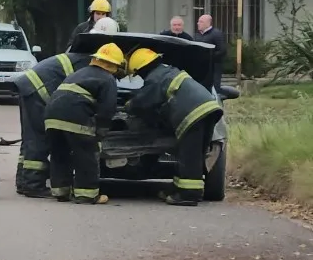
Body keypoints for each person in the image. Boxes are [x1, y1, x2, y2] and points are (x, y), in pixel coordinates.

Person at [124, 48, 223, 206]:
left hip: (192, 113)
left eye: (137, 74)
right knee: (196, 155)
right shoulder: (168, 71)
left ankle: (188, 195)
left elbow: (143, 102)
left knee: (188, 154)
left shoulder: (155, 78)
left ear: (141, 68)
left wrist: (128, 105)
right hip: (209, 108)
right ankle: (183, 190)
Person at [44, 42, 126, 204]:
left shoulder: (80, 72)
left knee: (60, 154)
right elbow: (107, 109)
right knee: (86, 153)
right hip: (75, 115)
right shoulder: (107, 79)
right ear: (114, 65)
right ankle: (87, 194)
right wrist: (101, 132)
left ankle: (61, 191)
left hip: (51, 114)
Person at [12, 50, 93, 197]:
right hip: (39, 90)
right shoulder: (90, 65)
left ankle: (24, 182)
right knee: (40, 138)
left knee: (30, 138)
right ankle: (33, 185)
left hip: (29, 86)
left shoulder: (81, 57)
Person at [195, 13, 226, 90]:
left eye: (201, 21)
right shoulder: (197, 35)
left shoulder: (216, 34)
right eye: (198, 21)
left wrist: (209, 57)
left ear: (208, 23)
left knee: (214, 88)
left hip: (214, 67)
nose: (198, 23)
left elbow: (222, 50)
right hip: (200, 68)